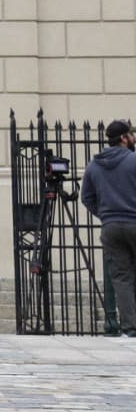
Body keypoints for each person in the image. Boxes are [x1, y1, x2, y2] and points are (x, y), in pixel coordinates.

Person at [79, 119, 136, 337]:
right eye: (131, 134)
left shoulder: (94, 165)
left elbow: (86, 197)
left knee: (121, 277)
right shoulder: (133, 160)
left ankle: (130, 328)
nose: (133, 138)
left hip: (111, 226)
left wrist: (104, 214)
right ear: (123, 138)